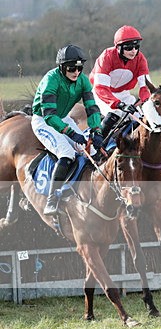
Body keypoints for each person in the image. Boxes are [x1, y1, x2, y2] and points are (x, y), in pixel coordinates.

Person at [31, 44, 103, 216]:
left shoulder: (83, 80)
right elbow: (49, 116)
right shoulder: (51, 80)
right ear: (62, 67)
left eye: (79, 68)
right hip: (43, 121)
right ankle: (51, 199)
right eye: (72, 68)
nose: (76, 72)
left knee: (91, 150)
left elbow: (92, 107)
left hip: (63, 118)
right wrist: (71, 133)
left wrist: (96, 130)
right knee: (67, 153)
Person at [90, 25, 151, 141]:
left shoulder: (140, 59)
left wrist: (143, 101)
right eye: (129, 48)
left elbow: (145, 87)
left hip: (124, 94)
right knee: (115, 113)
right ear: (118, 47)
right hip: (102, 95)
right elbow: (100, 88)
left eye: (136, 47)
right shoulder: (106, 57)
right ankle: (96, 147)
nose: (134, 51)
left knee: (140, 119)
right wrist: (119, 104)